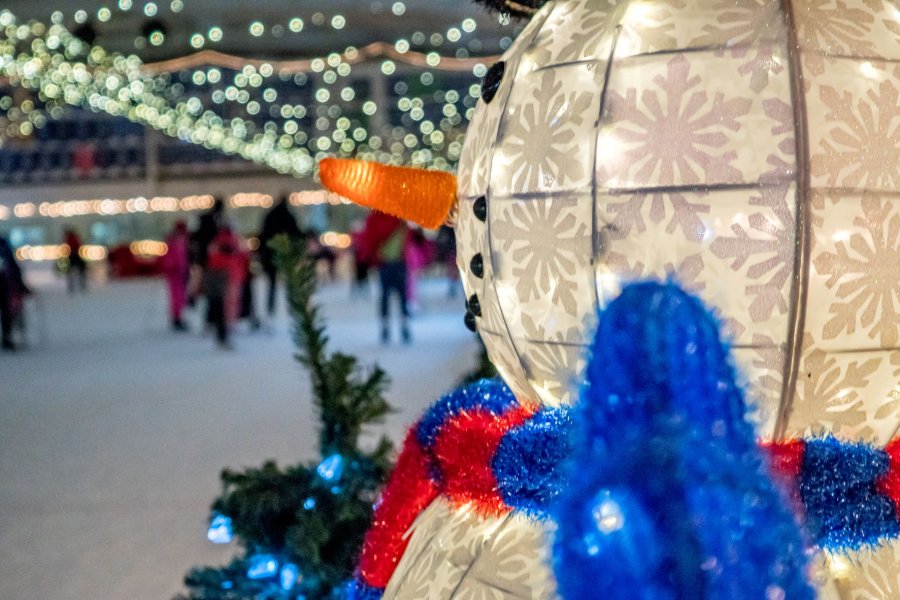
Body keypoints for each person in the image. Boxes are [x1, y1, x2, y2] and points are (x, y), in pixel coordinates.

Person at [358, 211, 411, 344]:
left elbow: (369, 240)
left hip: (388, 262)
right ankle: (401, 326)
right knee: (400, 296)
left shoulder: (375, 218)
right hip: (395, 262)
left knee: (386, 296)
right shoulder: (399, 216)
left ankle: (388, 327)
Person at [204, 227, 247, 349]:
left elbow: (211, 261)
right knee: (231, 304)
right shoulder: (235, 242)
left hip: (221, 279)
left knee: (221, 306)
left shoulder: (217, 244)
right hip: (232, 277)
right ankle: (229, 325)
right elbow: (243, 256)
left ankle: (224, 329)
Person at [258, 195, 301, 316]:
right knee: (290, 282)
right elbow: (295, 233)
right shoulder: (288, 216)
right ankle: (292, 307)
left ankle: (271, 307)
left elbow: (263, 235)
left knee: (272, 283)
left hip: (270, 252)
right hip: (284, 253)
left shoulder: (270, 215)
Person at [0, 235, 28, 351]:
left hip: (4, 285)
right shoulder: (3, 244)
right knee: (6, 312)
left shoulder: (3, 244)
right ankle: (7, 338)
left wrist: (21, 286)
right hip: (4, 285)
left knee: (6, 312)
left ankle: (7, 337)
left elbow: (12, 266)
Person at [161, 221, 190, 331]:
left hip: (178, 272)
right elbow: (174, 259)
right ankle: (177, 318)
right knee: (177, 297)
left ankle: (178, 317)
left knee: (179, 296)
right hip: (176, 273)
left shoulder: (177, 241)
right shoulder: (176, 242)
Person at [64, 229, 87, 293]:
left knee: (71, 272)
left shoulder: (69, 238)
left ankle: (72, 286)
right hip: (75, 255)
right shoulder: (74, 237)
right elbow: (78, 245)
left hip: (73, 255)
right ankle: (81, 285)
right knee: (81, 271)